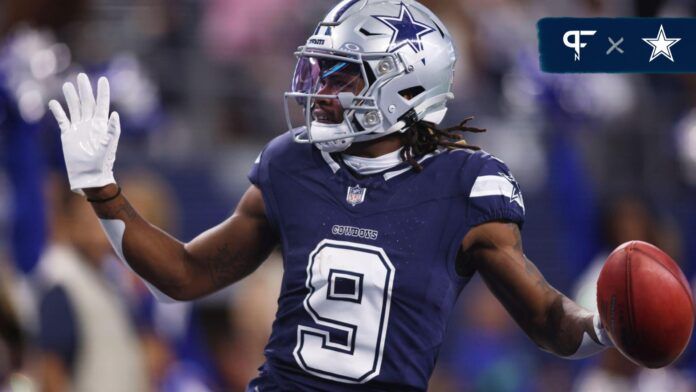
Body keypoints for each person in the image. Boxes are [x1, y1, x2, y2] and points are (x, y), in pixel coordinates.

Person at [48, 1, 617, 390]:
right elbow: (186, 275)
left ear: (407, 86)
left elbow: (545, 317)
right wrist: (103, 191)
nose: (320, 90)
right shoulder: (292, 163)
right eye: (321, 71)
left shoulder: (465, 186)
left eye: (344, 75)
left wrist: (606, 329)